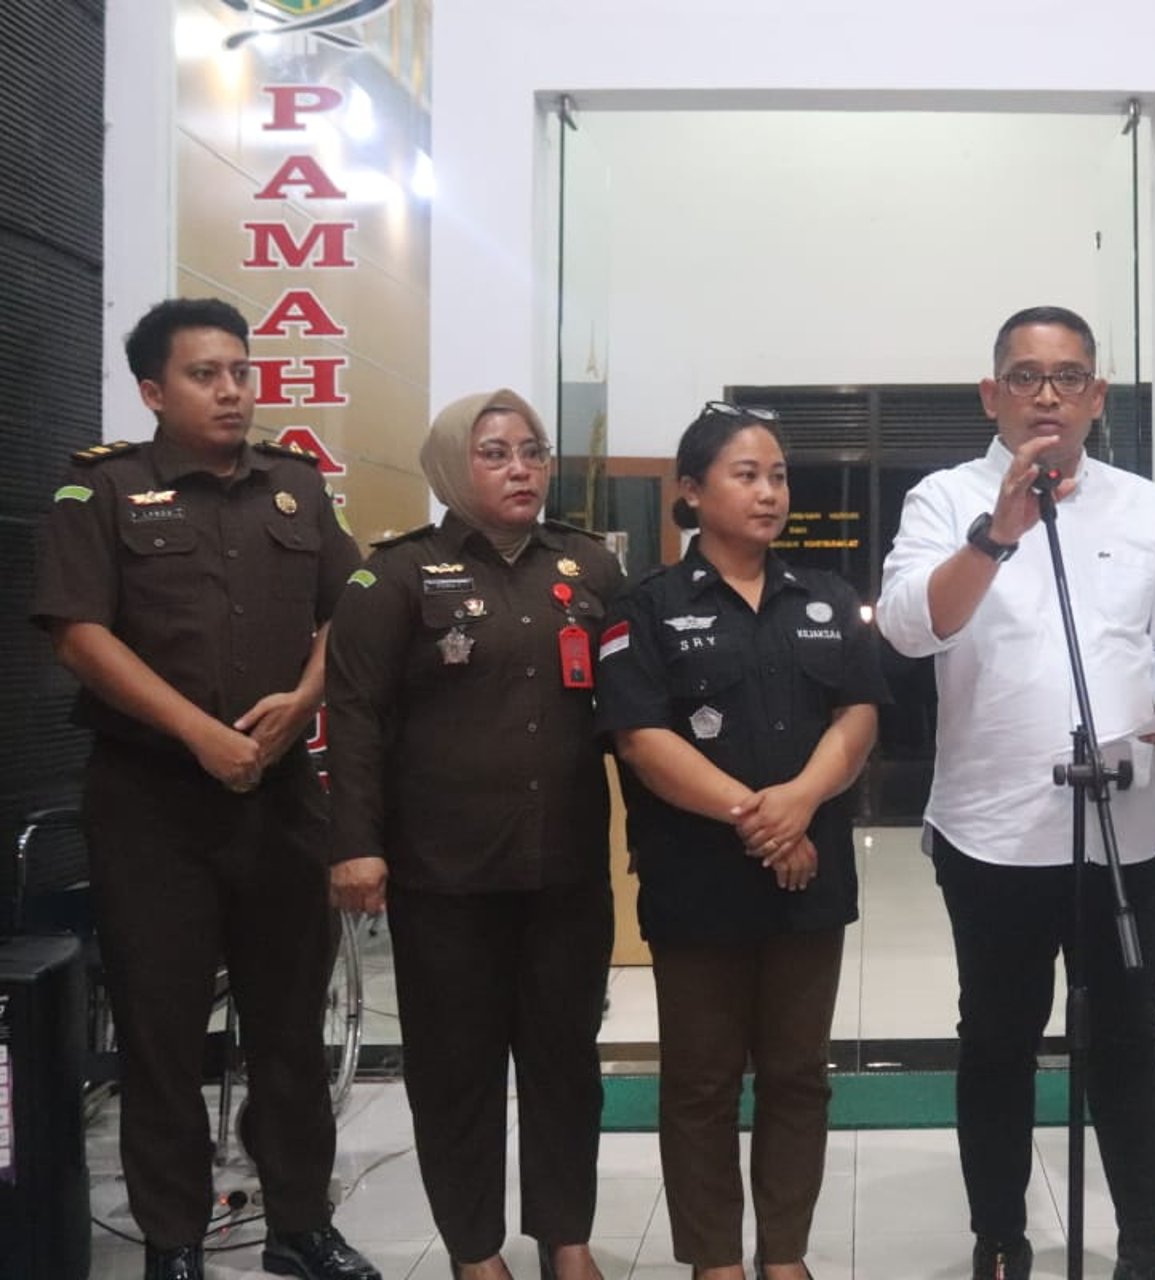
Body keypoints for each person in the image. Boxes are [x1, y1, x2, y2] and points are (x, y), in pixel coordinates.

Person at [29, 297, 378, 1280]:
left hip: (277, 798)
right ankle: (174, 1240)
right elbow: (77, 632)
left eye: (241, 370)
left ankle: (300, 1224)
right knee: (161, 1030)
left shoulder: (297, 490)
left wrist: (303, 699)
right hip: (152, 803)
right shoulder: (101, 491)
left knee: (289, 1024)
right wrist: (198, 733)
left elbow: (349, 610)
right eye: (205, 374)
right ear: (152, 390)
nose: (233, 390)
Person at [877, 305, 1155, 1280]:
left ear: (1097, 395)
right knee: (996, 1038)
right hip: (992, 832)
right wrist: (996, 534)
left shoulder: (1144, 506)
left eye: (1068, 377)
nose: (1047, 395)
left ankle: (1145, 1237)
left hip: (1125, 825)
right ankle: (1000, 1236)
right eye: (1025, 376)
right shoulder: (948, 499)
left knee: (1125, 1034)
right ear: (992, 394)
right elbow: (908, 627)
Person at [325, 389, 623, 1280]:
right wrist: (355, 842)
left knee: (566, 1066)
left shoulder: (588, 568)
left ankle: (566, 1237)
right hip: (443, 875)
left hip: (565, 867)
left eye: (532, 451)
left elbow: (630, 711)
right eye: (496, 453)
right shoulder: (394, 578)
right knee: (456, 1073)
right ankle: (474, 1250)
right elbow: (355, 719)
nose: (521, 468)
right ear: (456, 466)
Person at [597, 402, 885, 1280]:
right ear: (691, 491)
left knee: (800, 1075)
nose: (769, 493)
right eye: (745, 475)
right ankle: (716, 1259)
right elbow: (644, 741)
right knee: (700, 1083)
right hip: (699, 885)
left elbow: (859, 714)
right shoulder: (645, 607)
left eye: (779, 476)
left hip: (810, 882)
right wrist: (762, 821)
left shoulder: (830, 600)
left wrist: (799, 802)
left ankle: (785, 1254)